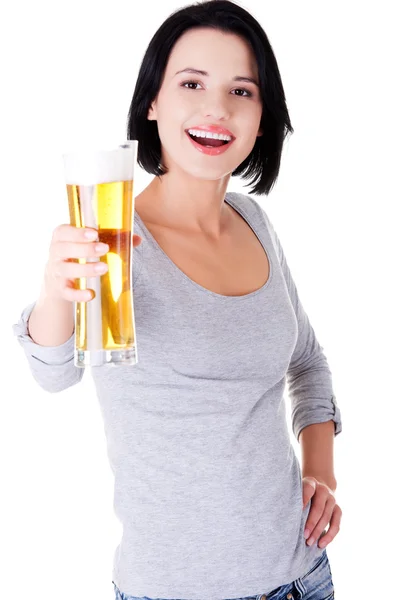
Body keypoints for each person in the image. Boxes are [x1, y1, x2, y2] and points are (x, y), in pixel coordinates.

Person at [13, 1, 343, 599]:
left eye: (242, 91)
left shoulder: (254, 220)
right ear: (153, 102)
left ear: (263, 117)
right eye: (191, 83)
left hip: (303, 578)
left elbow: (307, 360)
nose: (216, 109)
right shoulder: (113, 242)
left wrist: (320, 469)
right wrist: (53, 289)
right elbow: (54, 374)